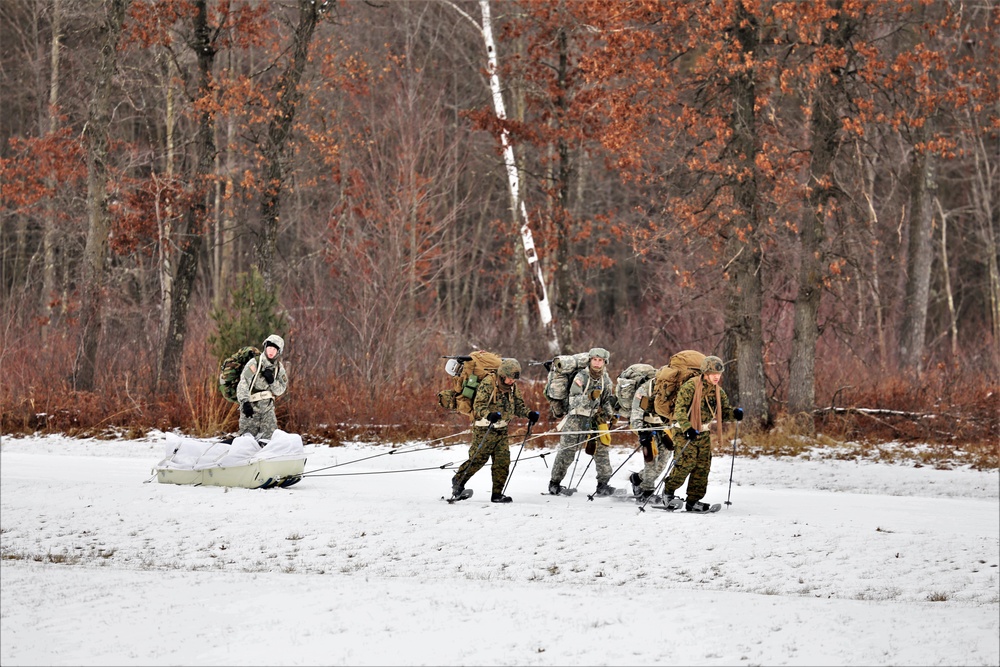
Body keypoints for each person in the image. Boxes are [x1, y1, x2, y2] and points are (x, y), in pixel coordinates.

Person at [450, 358, 539, 503]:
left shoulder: (513, 388)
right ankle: (458, 481)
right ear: (503, 375)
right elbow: (479, 406)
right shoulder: (488, 383)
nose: (512, 382)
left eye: (514, 379)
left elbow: (518, 406)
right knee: (478, 459)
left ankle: (497, 494)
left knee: (502, 461)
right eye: (510, 378)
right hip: (485, 428)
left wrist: (529, 414)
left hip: (502, 429)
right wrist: (489, 414)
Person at [661, 355, 743, 512]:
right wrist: (687, 428)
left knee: (702, 467)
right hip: (684, 432)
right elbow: (680, 410)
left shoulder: (718, 391)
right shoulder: (690, 387)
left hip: (703, 433)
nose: (716, 377)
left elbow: (722, 412)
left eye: (719, 374)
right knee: (685, 464)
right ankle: (668, 493)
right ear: (705, 372)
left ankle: (693, 501)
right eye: (713, 374)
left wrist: (734, 414)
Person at [547, 347, 617, 497]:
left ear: (605, 362)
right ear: (590, 360)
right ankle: (555, 483)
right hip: (576, 418)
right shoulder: (581, 377)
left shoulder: (605, 380)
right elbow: (573, 400)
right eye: (594, 360)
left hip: (595, 419)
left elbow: (605, 401)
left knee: (602, 451)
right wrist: (590, 398)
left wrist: (610, 414)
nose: (597, 363)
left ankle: (603, 484)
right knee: (567, 452)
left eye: (600, 360)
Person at [628, 375, 676, 501]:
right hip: (646, 427)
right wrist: (641, 431)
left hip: (664, 427)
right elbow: (636, 411)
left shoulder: (673, 388)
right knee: (651, 460)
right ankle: (646, 492)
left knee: (662, 463)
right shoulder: (645, 389)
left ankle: (637, 478)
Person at [236, 334, 289, 443]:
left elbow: (281, 390)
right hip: (251, 407)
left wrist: (272, 381)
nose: (271, 351)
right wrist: (245, 402)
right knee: (246, 440)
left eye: (274, 349)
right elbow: (244, 382)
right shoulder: (255, 363)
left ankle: (266, 458)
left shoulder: (279, 368)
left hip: (267, 409)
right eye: (269, 347)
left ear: (278, 352)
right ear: (265, 347)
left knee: (270, 439)